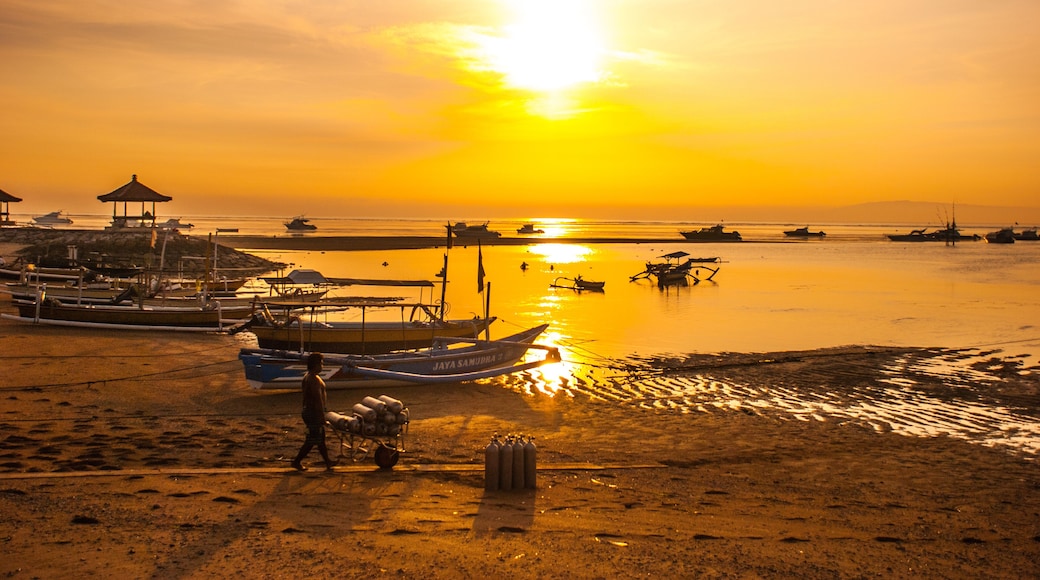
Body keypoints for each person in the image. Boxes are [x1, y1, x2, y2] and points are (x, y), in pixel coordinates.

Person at [291, 352, 334, 471]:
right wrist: (321, 416)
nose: (322, 366)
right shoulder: (313, 379)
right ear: (315, 364)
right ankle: (296, 462)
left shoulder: (308, 376)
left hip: (309, 411)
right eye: (321, 363)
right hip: (312, 412)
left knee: (320, 439)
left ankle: (328, 462)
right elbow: (317, 399)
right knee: (312, 440)